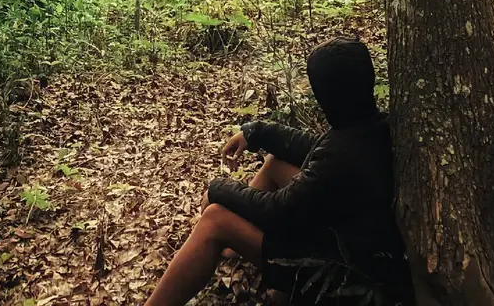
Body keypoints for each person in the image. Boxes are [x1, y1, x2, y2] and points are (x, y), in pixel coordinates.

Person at [141, 38, 414, 306]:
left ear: (325, 95)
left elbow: (277, 211)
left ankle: (219, 248)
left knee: (214, 219)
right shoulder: (371, 126)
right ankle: (233, 249)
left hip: (336, 275)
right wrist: (256, 132)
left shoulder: (341, 154)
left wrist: (218, 189)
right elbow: (313, 147)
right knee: (275, 163)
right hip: (345, 238)